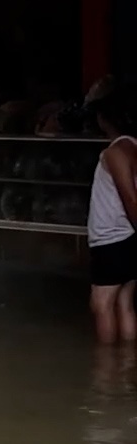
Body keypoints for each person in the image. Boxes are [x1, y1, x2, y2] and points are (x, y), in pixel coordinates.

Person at [86, 86, 137, 344]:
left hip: (113, 239)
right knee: (125, 303)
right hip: (126, 238)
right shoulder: (133, 147)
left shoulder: (115, 152)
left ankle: (108, 372)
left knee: (102, 304)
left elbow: (130, 197)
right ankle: (127, 367)